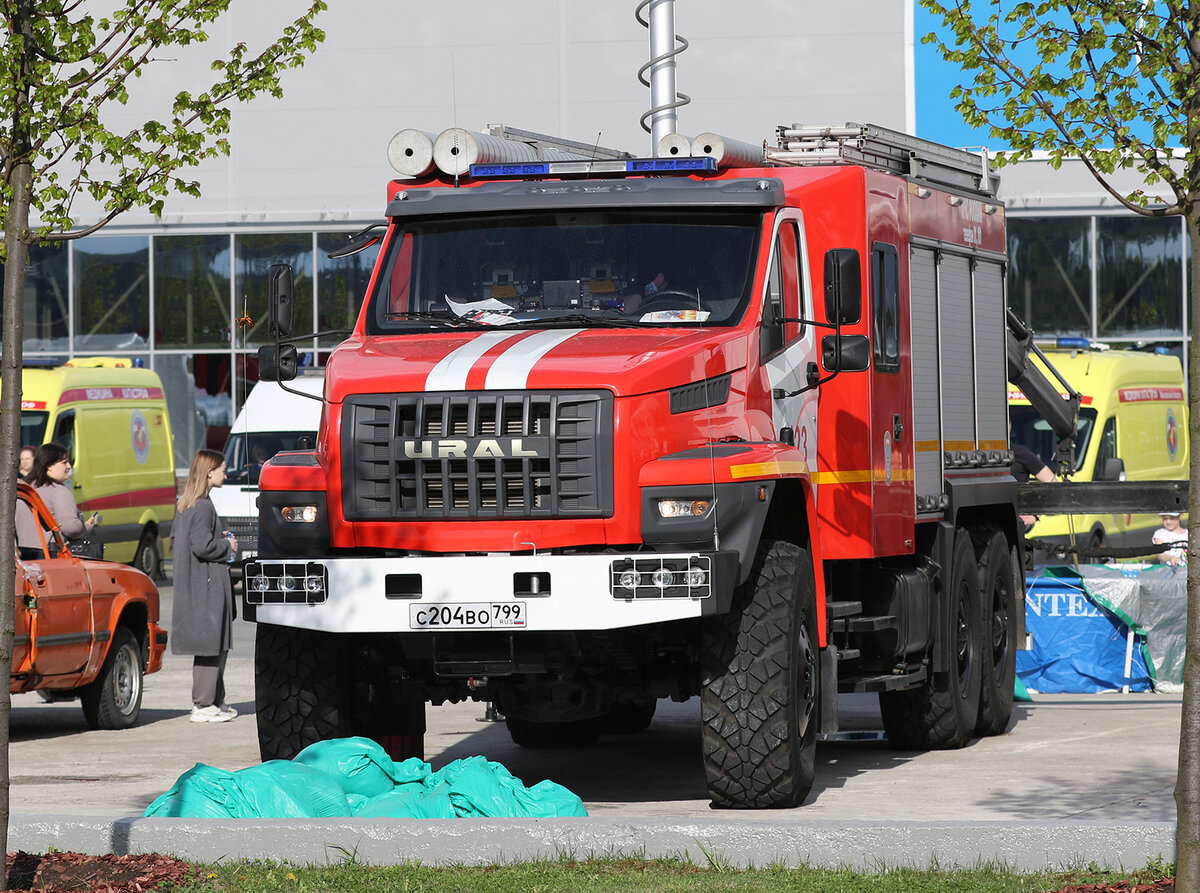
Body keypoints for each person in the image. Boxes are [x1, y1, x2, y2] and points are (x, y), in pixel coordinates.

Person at [172, 449, 239, 723]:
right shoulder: (203, 506)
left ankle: (215, 701)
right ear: (210, 472)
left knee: (215, 642)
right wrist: (227, 545)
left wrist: (217, 537)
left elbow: (183, 541)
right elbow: (202, 546)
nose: (226, 473)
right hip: (207, 585)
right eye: (222, 469)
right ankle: (203, 704)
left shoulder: (187, 505)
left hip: (196, 583)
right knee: (211, 643)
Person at [28, 443, 99, 546]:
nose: (69, 466)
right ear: (49, 466)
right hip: (50, 555)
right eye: (64, 462)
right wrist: (87, 527)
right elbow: (71, 528)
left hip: (23, 555)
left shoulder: (25, 488)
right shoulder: (59, 491)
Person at [1010, 442, 1056, 528]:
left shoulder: (1020, 453)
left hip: (1015, 527)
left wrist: (1035, 515)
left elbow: (1053, 484)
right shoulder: (978, 456)